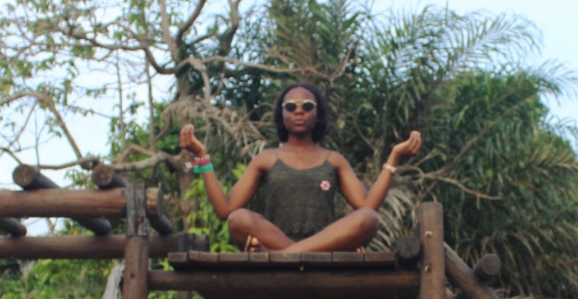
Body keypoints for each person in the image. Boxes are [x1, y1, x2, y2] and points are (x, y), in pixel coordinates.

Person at [178, 83, 422, 252]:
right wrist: (201, 156)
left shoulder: (333, 159)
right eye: (290, 106)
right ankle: (305, 255)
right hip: (280, 241)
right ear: (281, 114)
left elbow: (367, 207)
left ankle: (286, 257)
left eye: (307, 106)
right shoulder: (267, 159)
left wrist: (394, 158)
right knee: (238, 219)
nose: (298, 110)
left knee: (368, 218)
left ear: (318, 114)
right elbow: (225, 209)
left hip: (313, 244)